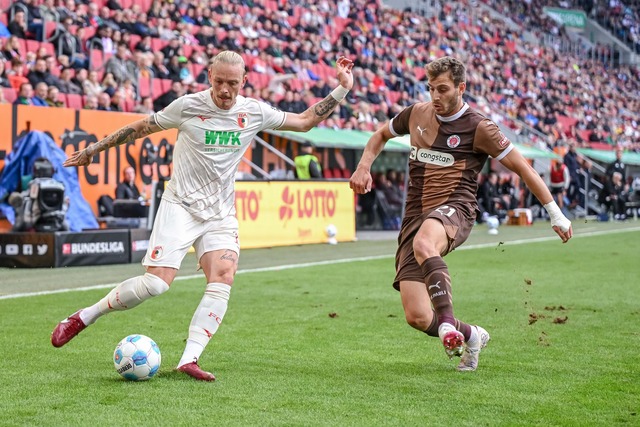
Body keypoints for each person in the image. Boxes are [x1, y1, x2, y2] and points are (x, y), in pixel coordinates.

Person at [52, 50, 354, 381]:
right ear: (209, 76)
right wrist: (95, 149)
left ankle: (189, 359)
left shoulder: (254, 111)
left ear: (245, 81)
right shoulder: (188, 106)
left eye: (233, 84)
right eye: (220, 82)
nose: (225, 90)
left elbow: (305, 121)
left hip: (220, 214)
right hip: (180, 205)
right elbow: (141, 127)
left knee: (224, 275)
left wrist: (341, 88)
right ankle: (84, 316)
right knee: (156, 284)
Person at [349, 56, 572, 372]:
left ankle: (447, 326)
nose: (435, 96)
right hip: (415, 216)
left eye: (442, 89)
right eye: (431, 89)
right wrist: (363, 167)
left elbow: (523, 167)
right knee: (417, 316)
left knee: (426, 244)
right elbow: (379, 135)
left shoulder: (480, 127)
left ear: (461, 88)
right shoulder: (416, 114)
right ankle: (472, 335)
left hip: (457, 208)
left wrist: (555, 213)